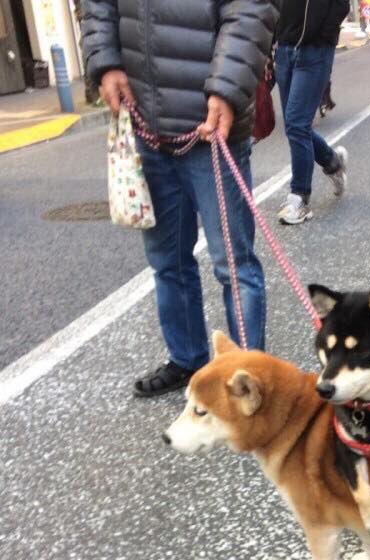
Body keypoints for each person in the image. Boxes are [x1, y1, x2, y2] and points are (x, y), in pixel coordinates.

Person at [81, 0, 280, 397]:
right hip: (145, 120)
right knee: (166, 261)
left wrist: (226, 87)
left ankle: (246, 380)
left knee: (234, 265)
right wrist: (105, 62)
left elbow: (250, 7)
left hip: (213, 123)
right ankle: (187, 359)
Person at [274, 0, 350, 225]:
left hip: (315, 51)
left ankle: (299, 198)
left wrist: (322, 37)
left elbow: (341, 6)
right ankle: (333, 162)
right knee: (294, 125)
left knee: (296, 124)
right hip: (284, 48)